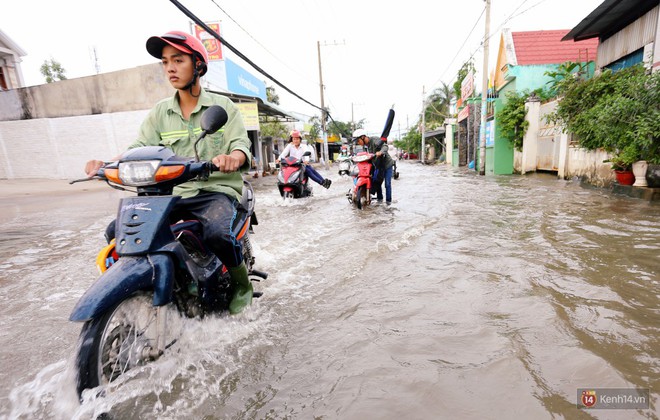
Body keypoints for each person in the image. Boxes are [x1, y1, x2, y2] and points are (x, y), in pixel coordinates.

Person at [84, 30, 253, 315]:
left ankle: (241, 283)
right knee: (118, 232)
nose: (170, 68)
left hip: (215, 192)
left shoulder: (223, 107)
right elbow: (138, 147)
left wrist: (232, 158)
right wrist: (105, 165)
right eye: (165, 62)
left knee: (217, 232)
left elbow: (240, 145)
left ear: (198, 65)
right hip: (173, 194)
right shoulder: (160, 112)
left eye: (178, 60)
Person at [352, 128, 395, 203]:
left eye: (358, 141)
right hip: (377, 166)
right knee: (377, 183)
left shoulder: (374, 139)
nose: (358, 143)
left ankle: (388, 202)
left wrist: (380, 152)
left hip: (387, 165)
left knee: (387, 184)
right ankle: (380, 201)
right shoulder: (365, 147)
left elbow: (385, 146)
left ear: (363, 137)